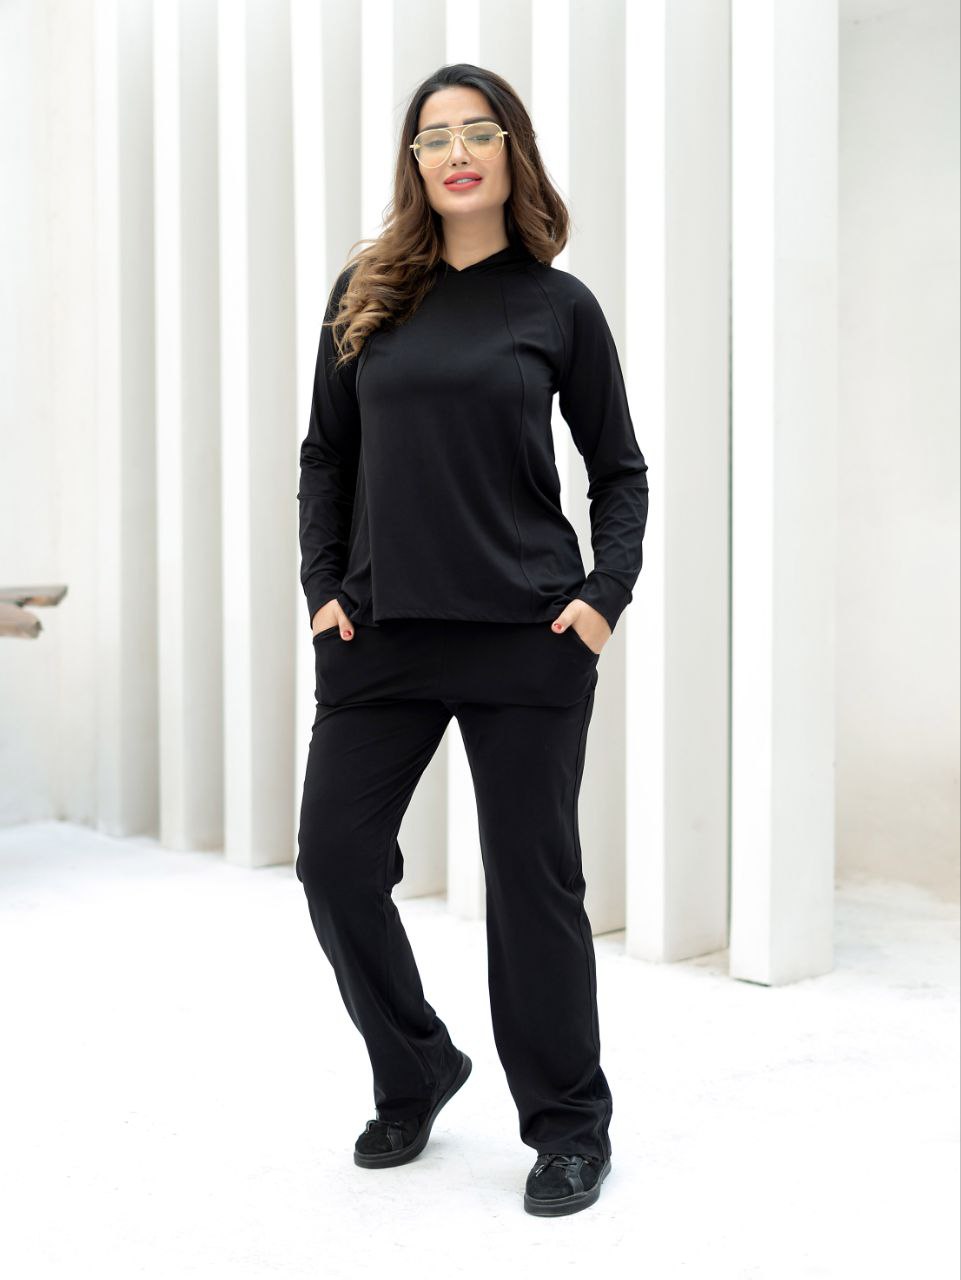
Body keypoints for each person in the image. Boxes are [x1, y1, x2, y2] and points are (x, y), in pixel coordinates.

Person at [295, 63, 649, 1218]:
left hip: (525, 638)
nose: (455, 152)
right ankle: (416, 1066)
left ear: (511, 152)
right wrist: (322, 591)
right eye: (434, 137)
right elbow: (325, 458)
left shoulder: (558, 306)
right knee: (335, 865)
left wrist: (600, 599)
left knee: (533, 888)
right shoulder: (366, 294)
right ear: (414, 162)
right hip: (382, 634)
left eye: (477, 132)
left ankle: (569, 1124)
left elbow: (619, 470)